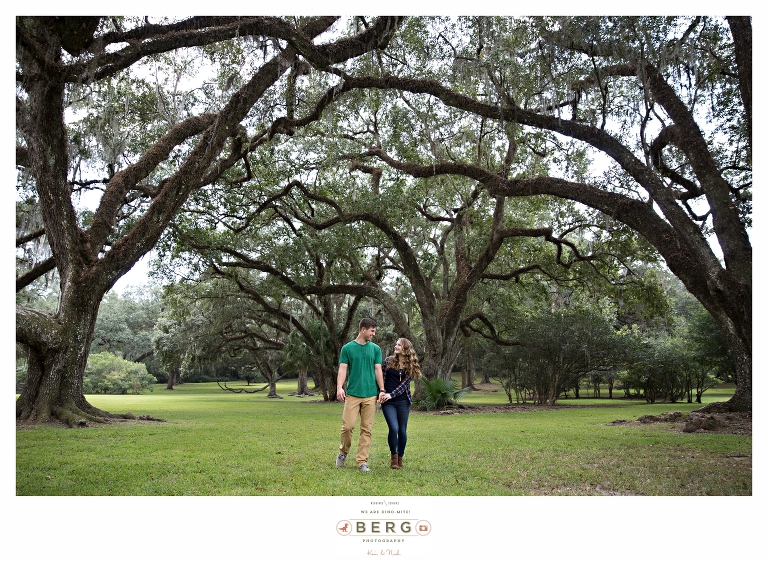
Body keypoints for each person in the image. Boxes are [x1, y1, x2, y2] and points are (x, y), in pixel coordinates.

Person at [335, 317, 385, 472]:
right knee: (348, 426)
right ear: (363, 329)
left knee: (366, 429)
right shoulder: (347, 348)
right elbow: (342, 369)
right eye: (372, 331)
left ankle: (362, 461)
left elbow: (378, 370)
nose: (373, 334)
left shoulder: (376, 349)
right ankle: (343, 452)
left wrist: (382, 390)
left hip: (370, 394)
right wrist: (339, 387)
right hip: (353, 394)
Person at [379, 337, 422, 469]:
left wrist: (391, 394)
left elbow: (404, 385)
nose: (395, 346)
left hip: (403, 401)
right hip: (388, 402)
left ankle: (400, 458)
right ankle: (393, 457)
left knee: (402, 431)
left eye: (398, 345)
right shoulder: (388, 361)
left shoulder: (411, 366)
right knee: (394, 428)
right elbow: (379, 377)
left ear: (405, 349)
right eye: (396, 344)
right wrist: (381, 392)